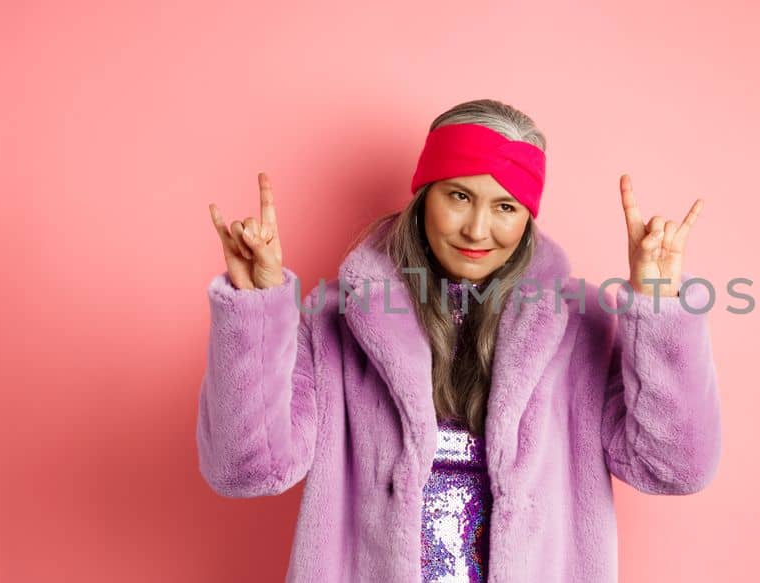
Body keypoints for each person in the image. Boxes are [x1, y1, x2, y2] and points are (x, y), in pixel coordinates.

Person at [198, 99, 721, 582]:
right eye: (460, 196)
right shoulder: (336, 321)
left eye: (505, 207)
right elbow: (246, 471)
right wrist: (257, 308)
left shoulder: (578, 326)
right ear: (425, 196)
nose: (477, 229)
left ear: (527, 219)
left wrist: (659, 302)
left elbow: (671, 469)